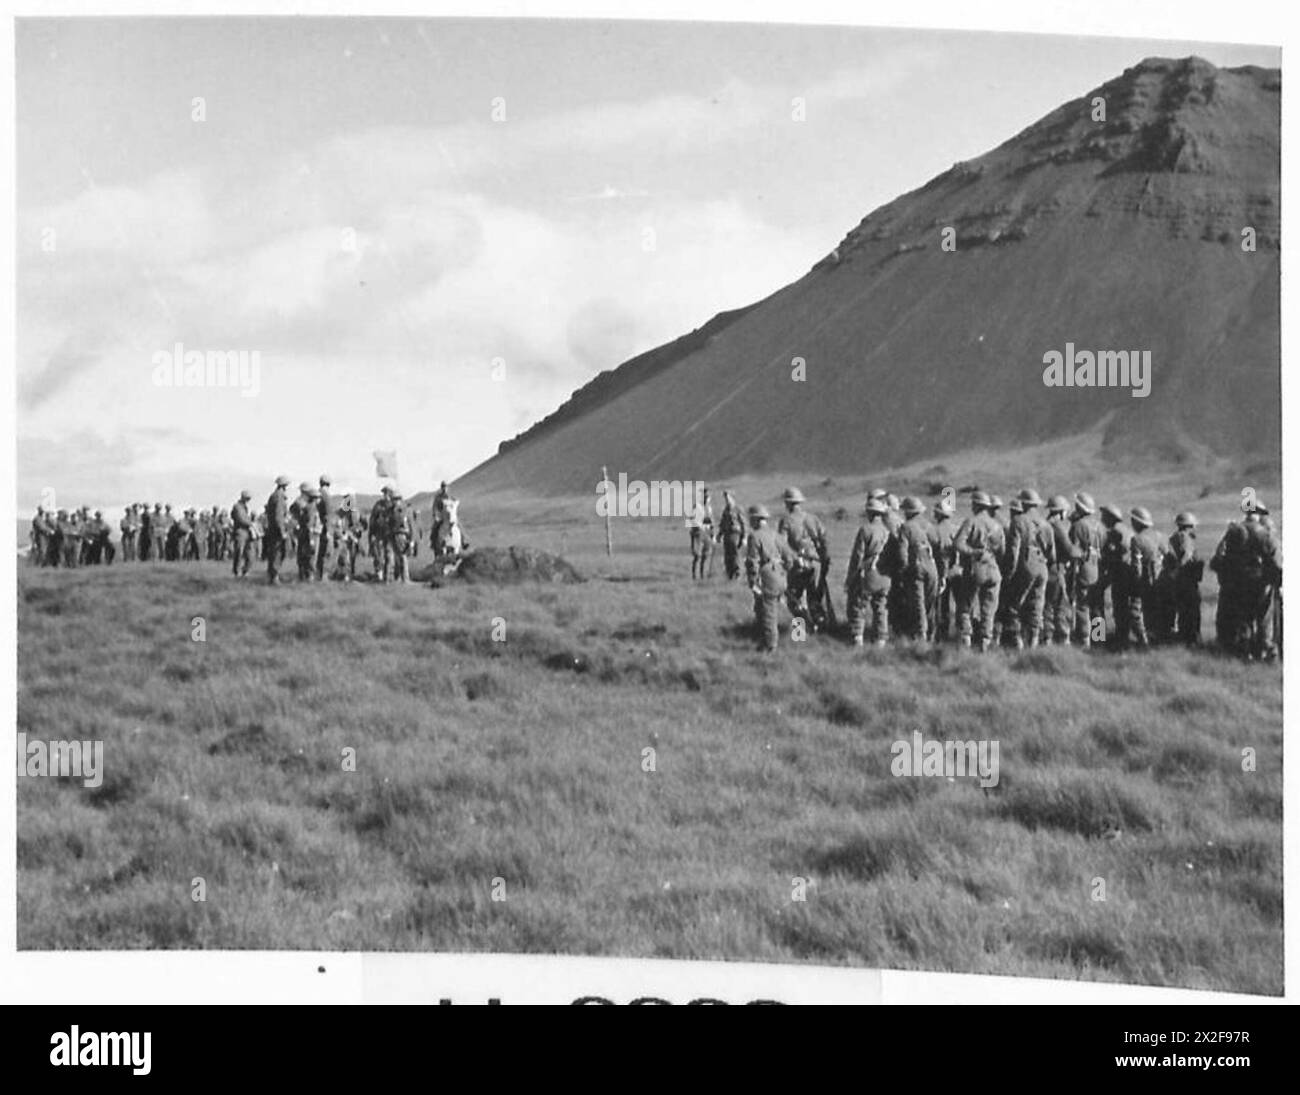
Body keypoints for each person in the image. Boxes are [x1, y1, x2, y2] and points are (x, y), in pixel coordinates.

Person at [953, 491, 1005, 651]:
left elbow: (958, 544)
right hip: (994, 570)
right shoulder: (996, 525)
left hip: (976, 569)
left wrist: (972, 552)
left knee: (965, 606)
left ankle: (966, 641)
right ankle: (985, 643)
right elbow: (1002, 550)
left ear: (976, 505)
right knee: (988, 609)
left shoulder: (971, 522)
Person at [846, 495, 897, 647]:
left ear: (869, 513)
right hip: (886, 575)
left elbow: (857, 556)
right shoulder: (889, 530)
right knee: (881, 607)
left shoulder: (865, 530)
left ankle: (858, 638)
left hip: (869, 574)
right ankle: (881, 640)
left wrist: (851, 577)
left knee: (859, 606)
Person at [777, 486, 830, 631]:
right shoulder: (813, 519)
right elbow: (824, 540)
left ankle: (800, 632)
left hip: (798, 565)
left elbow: (782, 545)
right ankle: (822, 629)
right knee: (815, 600)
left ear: (787, 503)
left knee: (794, 601)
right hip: (816, 564)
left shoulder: (786, 521)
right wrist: (824, 560)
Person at [745, 504, 796, 653]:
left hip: (767, 578)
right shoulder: (776, 535)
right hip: (781, 576)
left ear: (755, 520)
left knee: (769, 613)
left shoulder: (754, 536)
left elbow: (752, 561)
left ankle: (770, 646)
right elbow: (789, 557)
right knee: (793, 608)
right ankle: (799, 637)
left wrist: (753, 581)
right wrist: (784, 570)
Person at [896, 496, 939, 641]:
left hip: (917, 567)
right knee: (930, 602)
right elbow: (938, 544)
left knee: (918, 603)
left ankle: (921, 635)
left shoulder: (906, 527)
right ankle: (932, 634)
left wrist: (903, 571)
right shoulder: (929, 525)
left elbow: (902, 553)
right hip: (932, 567)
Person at [1127, 506, 1167, 649]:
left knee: (1091, 608)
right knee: (1153, 611)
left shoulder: (1137, 539)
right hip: (1158, 581)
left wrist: (1135, 583)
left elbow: (1135, 566)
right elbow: (1169, 556)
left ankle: (1097, 639)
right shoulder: (1159, 536)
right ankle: (1154, 638)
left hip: (1138, 581)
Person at [1099, 504, 1135, 649]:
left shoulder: (1115, 532)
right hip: (1126, 573)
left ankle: (1098, 637)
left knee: (1100, 606)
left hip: (1119, 573)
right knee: (1123, 607)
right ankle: (1123, 636)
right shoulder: (1125, 530)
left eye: (1104, 516)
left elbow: (1113, 553)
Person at [1044, 495, 1078, 644]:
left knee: (1050, 606)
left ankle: (1048, 637)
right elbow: (1071, 550)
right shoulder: (1094, 527)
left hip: (1055, 569)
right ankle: (1096, 639)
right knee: (1091, 607)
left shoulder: (1046, 523)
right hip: (1084, 572)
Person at [1166, 512, 1203, 645]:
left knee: (1184, 611)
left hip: (1182, 580)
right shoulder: (1185, 537)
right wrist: (1179, 571)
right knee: (1191, 611)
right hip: (1187, 579)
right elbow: (1186, 555)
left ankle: (1185, 637)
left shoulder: (1176, 537)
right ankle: (1191, 639)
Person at [264, 476, 291, 584]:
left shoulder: (274, 495)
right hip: (277, 530)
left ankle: (273, 576)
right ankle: (274, 577)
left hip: (273, 529)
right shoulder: (279, 497)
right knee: (278, 553)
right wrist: (282, 531)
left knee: (274, 553)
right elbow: (279, 516)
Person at [716, 490, 747, 580]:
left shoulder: (738, 509)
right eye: (726, 498)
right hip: (727, 535)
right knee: (727, 556)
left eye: (728, 497)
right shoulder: (725, 510)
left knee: (735, 554)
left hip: (735, 534)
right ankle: (729, 574)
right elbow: (722, 524)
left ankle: (737, 573)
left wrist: (744, 537)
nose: (727, 499)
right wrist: (719, 535)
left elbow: (743, 523)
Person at [687, 488, 715, 580]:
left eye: (707, 496)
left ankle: (703, 575)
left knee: (706, 555)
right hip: (697, 533)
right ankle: (695, 576)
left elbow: (711, 522)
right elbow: (691, 520)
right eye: (705, 496)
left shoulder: (709, 508)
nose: (706, 498)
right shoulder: (697, 506)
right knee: (697, 555)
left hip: (706, 533)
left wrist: (712, 533)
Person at [231, 490, 255, 577]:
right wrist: (251, 524)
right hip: (240, 531)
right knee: (239, 552)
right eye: (247, 498)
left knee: (250, 552)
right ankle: (236, 571)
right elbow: (241, 519)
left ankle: (246, 570)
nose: (248, 500)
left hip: (247, 531)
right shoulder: (237, 507)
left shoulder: (244, 507)